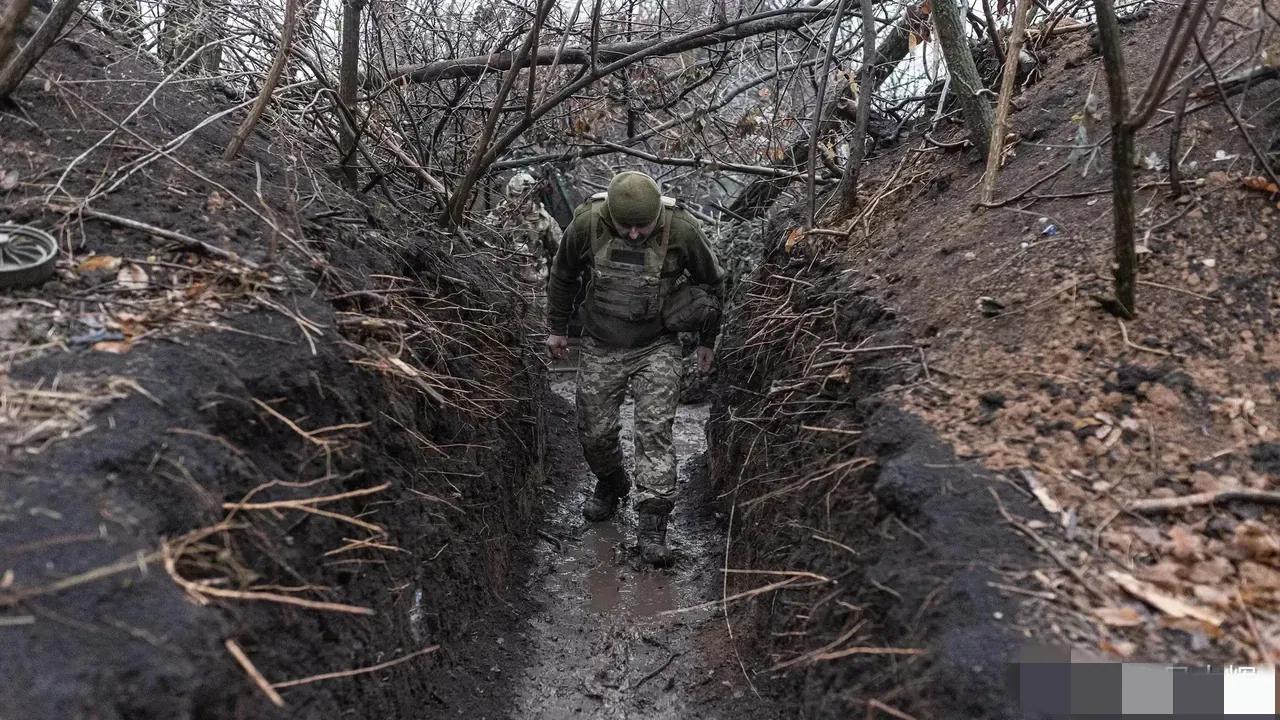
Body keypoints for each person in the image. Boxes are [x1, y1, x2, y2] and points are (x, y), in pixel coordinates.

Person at [545, 171, 723, 567]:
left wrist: (707, 341)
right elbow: (563, 275)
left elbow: (713, 283)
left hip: (657, 345)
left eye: (643, 226)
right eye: (627, 226)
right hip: (600, 343)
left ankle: (653, 525)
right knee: (594, 431)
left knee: (654, 430)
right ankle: (612, 483)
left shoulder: (682, 230)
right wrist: (557, 329)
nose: (635, 235)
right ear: (611, 218)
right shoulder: (587, 224)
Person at [488, 172, 561, 295]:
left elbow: (561, 249)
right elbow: (483, 238)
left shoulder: (543, 218)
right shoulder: (500, 213)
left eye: (525, 197)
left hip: (535, 285)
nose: (519, 201)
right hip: (504, 284)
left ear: (533, 196)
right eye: (514, 196)